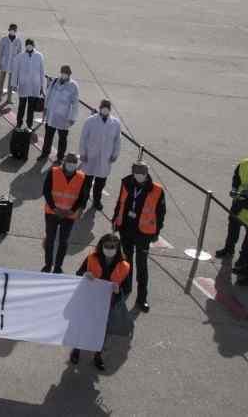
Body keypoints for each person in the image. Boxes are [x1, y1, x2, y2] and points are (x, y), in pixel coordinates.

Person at [69, 233, 132, 370]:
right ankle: (77, 349)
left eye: (112, 247)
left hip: (108, 304)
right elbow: (78, 274)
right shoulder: (92, 258)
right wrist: (85, 275)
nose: (109, 249)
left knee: (102, 332)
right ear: (101, 246)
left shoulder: (125, 266)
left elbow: (127, 288)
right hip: (89, 301)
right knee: (83, 326)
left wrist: (117, 290)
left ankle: (97, 354)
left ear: (117, 248)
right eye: (107, 246)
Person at [112, 162, 166, 312]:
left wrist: (156, 232)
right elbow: (120, 201)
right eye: (136, 173)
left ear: (147, 174)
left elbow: (161, 213)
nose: (138, 176)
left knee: (142, 266)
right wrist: (115, 219)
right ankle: (126, 287)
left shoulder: (157, 190)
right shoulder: (127, 183)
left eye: (141, 174)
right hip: (126, 228)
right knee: (126, 261)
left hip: (144, 233)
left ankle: (142, 298)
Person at [217, 149, 248, 260]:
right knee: (233, 227)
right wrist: (234, 189)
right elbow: (236, 177)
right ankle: (229, 249)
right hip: (240, 202)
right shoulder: (244, 164)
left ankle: (242, 260)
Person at [43, 154, 89, 272]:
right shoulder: (53, 172)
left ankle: (58, 266)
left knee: (64, 241)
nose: (71, 164)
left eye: (74, 162)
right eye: (69, 161)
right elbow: (46, 191)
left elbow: (83, 197)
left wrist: (72, 210)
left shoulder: (82, 177)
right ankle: (48, 264)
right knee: (50, 239)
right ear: (64, 161)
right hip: (52, 213)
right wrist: (54, 208)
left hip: (69, 215)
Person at [78, 100, 121, 211]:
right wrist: (82, 153)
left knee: (100, 183)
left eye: (107, 107)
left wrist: (115, 154)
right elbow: (83, 138)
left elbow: (117, 140)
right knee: (86, 182)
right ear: (100, 107)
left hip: (105, 158)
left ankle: (97, 201)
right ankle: (83, 201)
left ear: (110, 109)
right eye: (103, 106)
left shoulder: (115, 123)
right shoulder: (90, 121)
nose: (105, 109)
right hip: (90, 157)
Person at [41, 65, 81, 162]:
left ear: (69, 74)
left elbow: (75, 104)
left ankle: (60, 157)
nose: (64, 75)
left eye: (66, 73)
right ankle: (45, 153)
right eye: (63, 73)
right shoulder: (55, 81)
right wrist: (45, 109)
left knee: (62, 139)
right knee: (48, 136)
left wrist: (72, 118)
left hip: (63, 118)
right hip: (52, 115)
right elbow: (48, 96)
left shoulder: (73, 86)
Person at [12, 39, 45, 130]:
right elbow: (15, 71)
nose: (29, 46)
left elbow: (42, 72)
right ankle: (19, 123)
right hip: (23, 85)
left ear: (33, 45)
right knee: (21, 106)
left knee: (31, 107)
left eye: (31, 44)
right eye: (27, 45)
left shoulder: (39, 56)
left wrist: (42, 86)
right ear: (25, 46)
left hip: (35, 86)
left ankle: (29, 125)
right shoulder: (20, 56)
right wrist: (14, 84)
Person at [0, 24, 23, 100]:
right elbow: (0, 53)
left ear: (16, 31)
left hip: (13, 65)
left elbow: (19, 54)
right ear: (8, 30)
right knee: (1, 80)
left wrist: (18, 66)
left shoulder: (18, 41)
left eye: (14, 30)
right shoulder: (4, 39)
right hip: (4, 63)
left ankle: (9, 98)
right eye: (11, 29)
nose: (12, 31)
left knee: (11, 83)